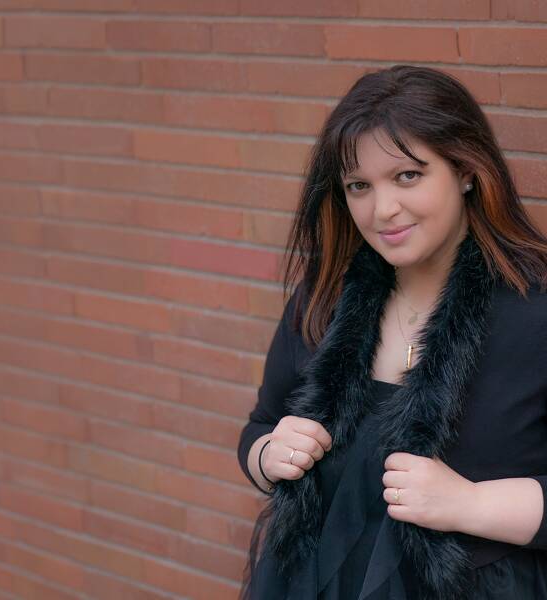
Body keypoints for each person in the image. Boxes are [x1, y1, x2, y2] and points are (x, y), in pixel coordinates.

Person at [236, 65, 547, 600]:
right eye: (359, 186)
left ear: (466, 170)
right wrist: (269, 455)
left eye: (407, 176)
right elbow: (261, 426)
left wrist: (471, 504)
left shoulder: (533, 313)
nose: (383, 211)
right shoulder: (323, 299)